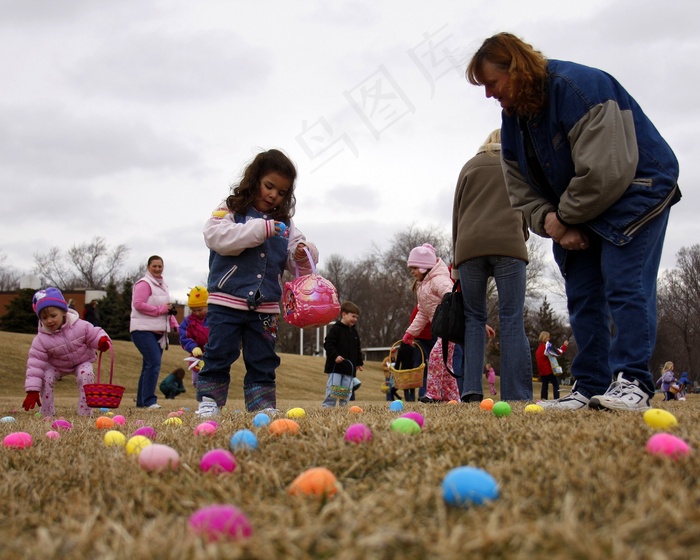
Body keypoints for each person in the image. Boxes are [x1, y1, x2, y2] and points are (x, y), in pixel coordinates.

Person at [467, 33, 681, 411]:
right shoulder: (513, 119)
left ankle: (633, 380)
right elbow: (519, 187)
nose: (488, 95)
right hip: (576, 212)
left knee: (624, 283)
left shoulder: (580, 89)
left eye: (492, 83)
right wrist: (550, 220)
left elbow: (605, 172)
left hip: (637, 191)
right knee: (582, 293)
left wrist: (563, 218)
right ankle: (591, 384)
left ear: (515, 69)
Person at [195, 148, 318, 417]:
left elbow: (296, 260)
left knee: (263, 358)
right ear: (255, 180)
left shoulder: (285, 223)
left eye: (282, 192)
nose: (274, 195)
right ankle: (209, 401)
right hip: (226, 300)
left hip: (265, 307)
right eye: (269, 186)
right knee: (219, 352)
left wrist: (302, 253)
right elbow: (216, 237)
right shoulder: (230, 210)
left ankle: (261, 405)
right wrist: (259, 229)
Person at [452, 128, 532, 403]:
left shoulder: (469, 167)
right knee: (511, 318)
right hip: (508, 245)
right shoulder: (516, 165)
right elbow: (525, 207)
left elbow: (457, 214)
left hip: (469, 247)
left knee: (473, 318)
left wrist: (455, 263)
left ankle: (471, 389)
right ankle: (515, 394)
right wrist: (522, 235)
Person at [22, 287, 111, 417]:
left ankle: (85, 413)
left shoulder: (80, 325)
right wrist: (32, 390)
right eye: (44, 318)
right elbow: (35, 365)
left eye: (53, 316)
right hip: (57, 366)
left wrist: (101, 342)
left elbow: (94, 334)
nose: (49, 321)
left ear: (64, 311)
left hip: (81, 362)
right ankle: (47, 412)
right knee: (46, 376)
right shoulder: (41, 339)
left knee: (85, 374)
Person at [130, 255, 179, 410]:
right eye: (154, 266)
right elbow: (138, 304)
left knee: (148, 366)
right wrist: (160, 310)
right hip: (143, 330)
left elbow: (166, 308)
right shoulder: (144, 284)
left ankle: (142, 402)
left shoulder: (162, 285)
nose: (157, 269)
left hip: (158, 331)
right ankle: (150, 401)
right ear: (148, 267)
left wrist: (173, 323)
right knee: (154, 363)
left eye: (160, 266)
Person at [322, 301, 364, 407]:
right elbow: (328, 344)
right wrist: (335, 356)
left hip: (349, 369)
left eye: (356, 317)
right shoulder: (336, 329)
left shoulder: (354, 332)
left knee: (346, 391)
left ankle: (343, 408)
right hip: (335, 367)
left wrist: (359, 362)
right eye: (353, 316)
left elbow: (357, 348)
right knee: (333, 388)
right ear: (344, 315)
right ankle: (328, 407)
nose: (355, 319)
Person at [178, 286, 210, 388]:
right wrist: (193, 347)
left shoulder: (214, 319)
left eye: (200, 310)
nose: (196, 313)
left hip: (213, 355)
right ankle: (202, 398)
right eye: (193, 310)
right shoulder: (188, 322)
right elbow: (184, 337)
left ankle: (214, 400)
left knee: (214, 379)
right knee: (197, 380)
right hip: (197, 357)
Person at [535, 332, 569, 401]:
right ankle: (557, 400)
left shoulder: (538, 349)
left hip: (542, 372)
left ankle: (543, 400)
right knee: (556, 385)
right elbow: (557, 352)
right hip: (549, 370)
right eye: (548, 337)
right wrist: (564, 346)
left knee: (544, 386)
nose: (549, 339)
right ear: (544, 338)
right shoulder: (547, 346)